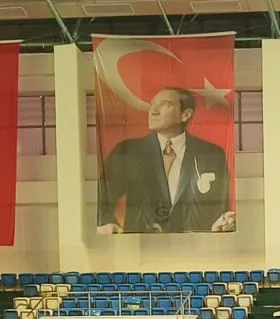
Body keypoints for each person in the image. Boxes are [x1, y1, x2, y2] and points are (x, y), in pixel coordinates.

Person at [95, 86, 236, 234]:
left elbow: (221, 206)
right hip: (143, 243)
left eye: (165, 104)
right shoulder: (128, 151)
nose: (153, 111)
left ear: (185, 115)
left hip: (194, 244)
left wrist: (223, 223)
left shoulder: (211, 154)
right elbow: (103, 198)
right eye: (152, 105)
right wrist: (107, 223)